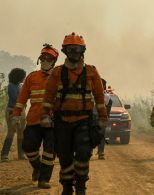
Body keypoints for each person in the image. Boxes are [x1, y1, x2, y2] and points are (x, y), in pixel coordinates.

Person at [40, 32, 107, 195]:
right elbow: (48, 97)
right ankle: (67, 187)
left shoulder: (91, 72)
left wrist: (103, 118)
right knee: (65, 157)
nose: (74, 53)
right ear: (65, 51)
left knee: (84, 154)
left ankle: (81, 186)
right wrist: (44, 115)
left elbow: (99, 97)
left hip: (84, 121)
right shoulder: (57, 73)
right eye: (70, 49)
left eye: (77, 49)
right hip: (62, 121)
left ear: (82, 51)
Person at [12, 44, 59, 188]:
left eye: (48, 58)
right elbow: (22, 98)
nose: (45, 60)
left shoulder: (59, 77)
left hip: (53, 121)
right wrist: (16, 115)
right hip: (33, 120)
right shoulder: (32, 77)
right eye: (43, 58)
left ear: (54, 61)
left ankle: (44, 179)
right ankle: (37, 168)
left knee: (50, 151)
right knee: (28, 147)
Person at [0, 68, 26, 162]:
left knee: (21, 132)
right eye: (23, 76)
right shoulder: (11, 86)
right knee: (11, 132)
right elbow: (16, 98)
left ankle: (21, 154)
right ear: (18, 77)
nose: (24, 78)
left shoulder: (19, 86)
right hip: (12, 111)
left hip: (21, 110)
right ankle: (4, 155)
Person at [97, 78, 112, 160]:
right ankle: (101, 153)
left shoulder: (106, 97)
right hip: (100, 119)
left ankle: (100, 153)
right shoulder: (108, 97)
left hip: (95, 119)